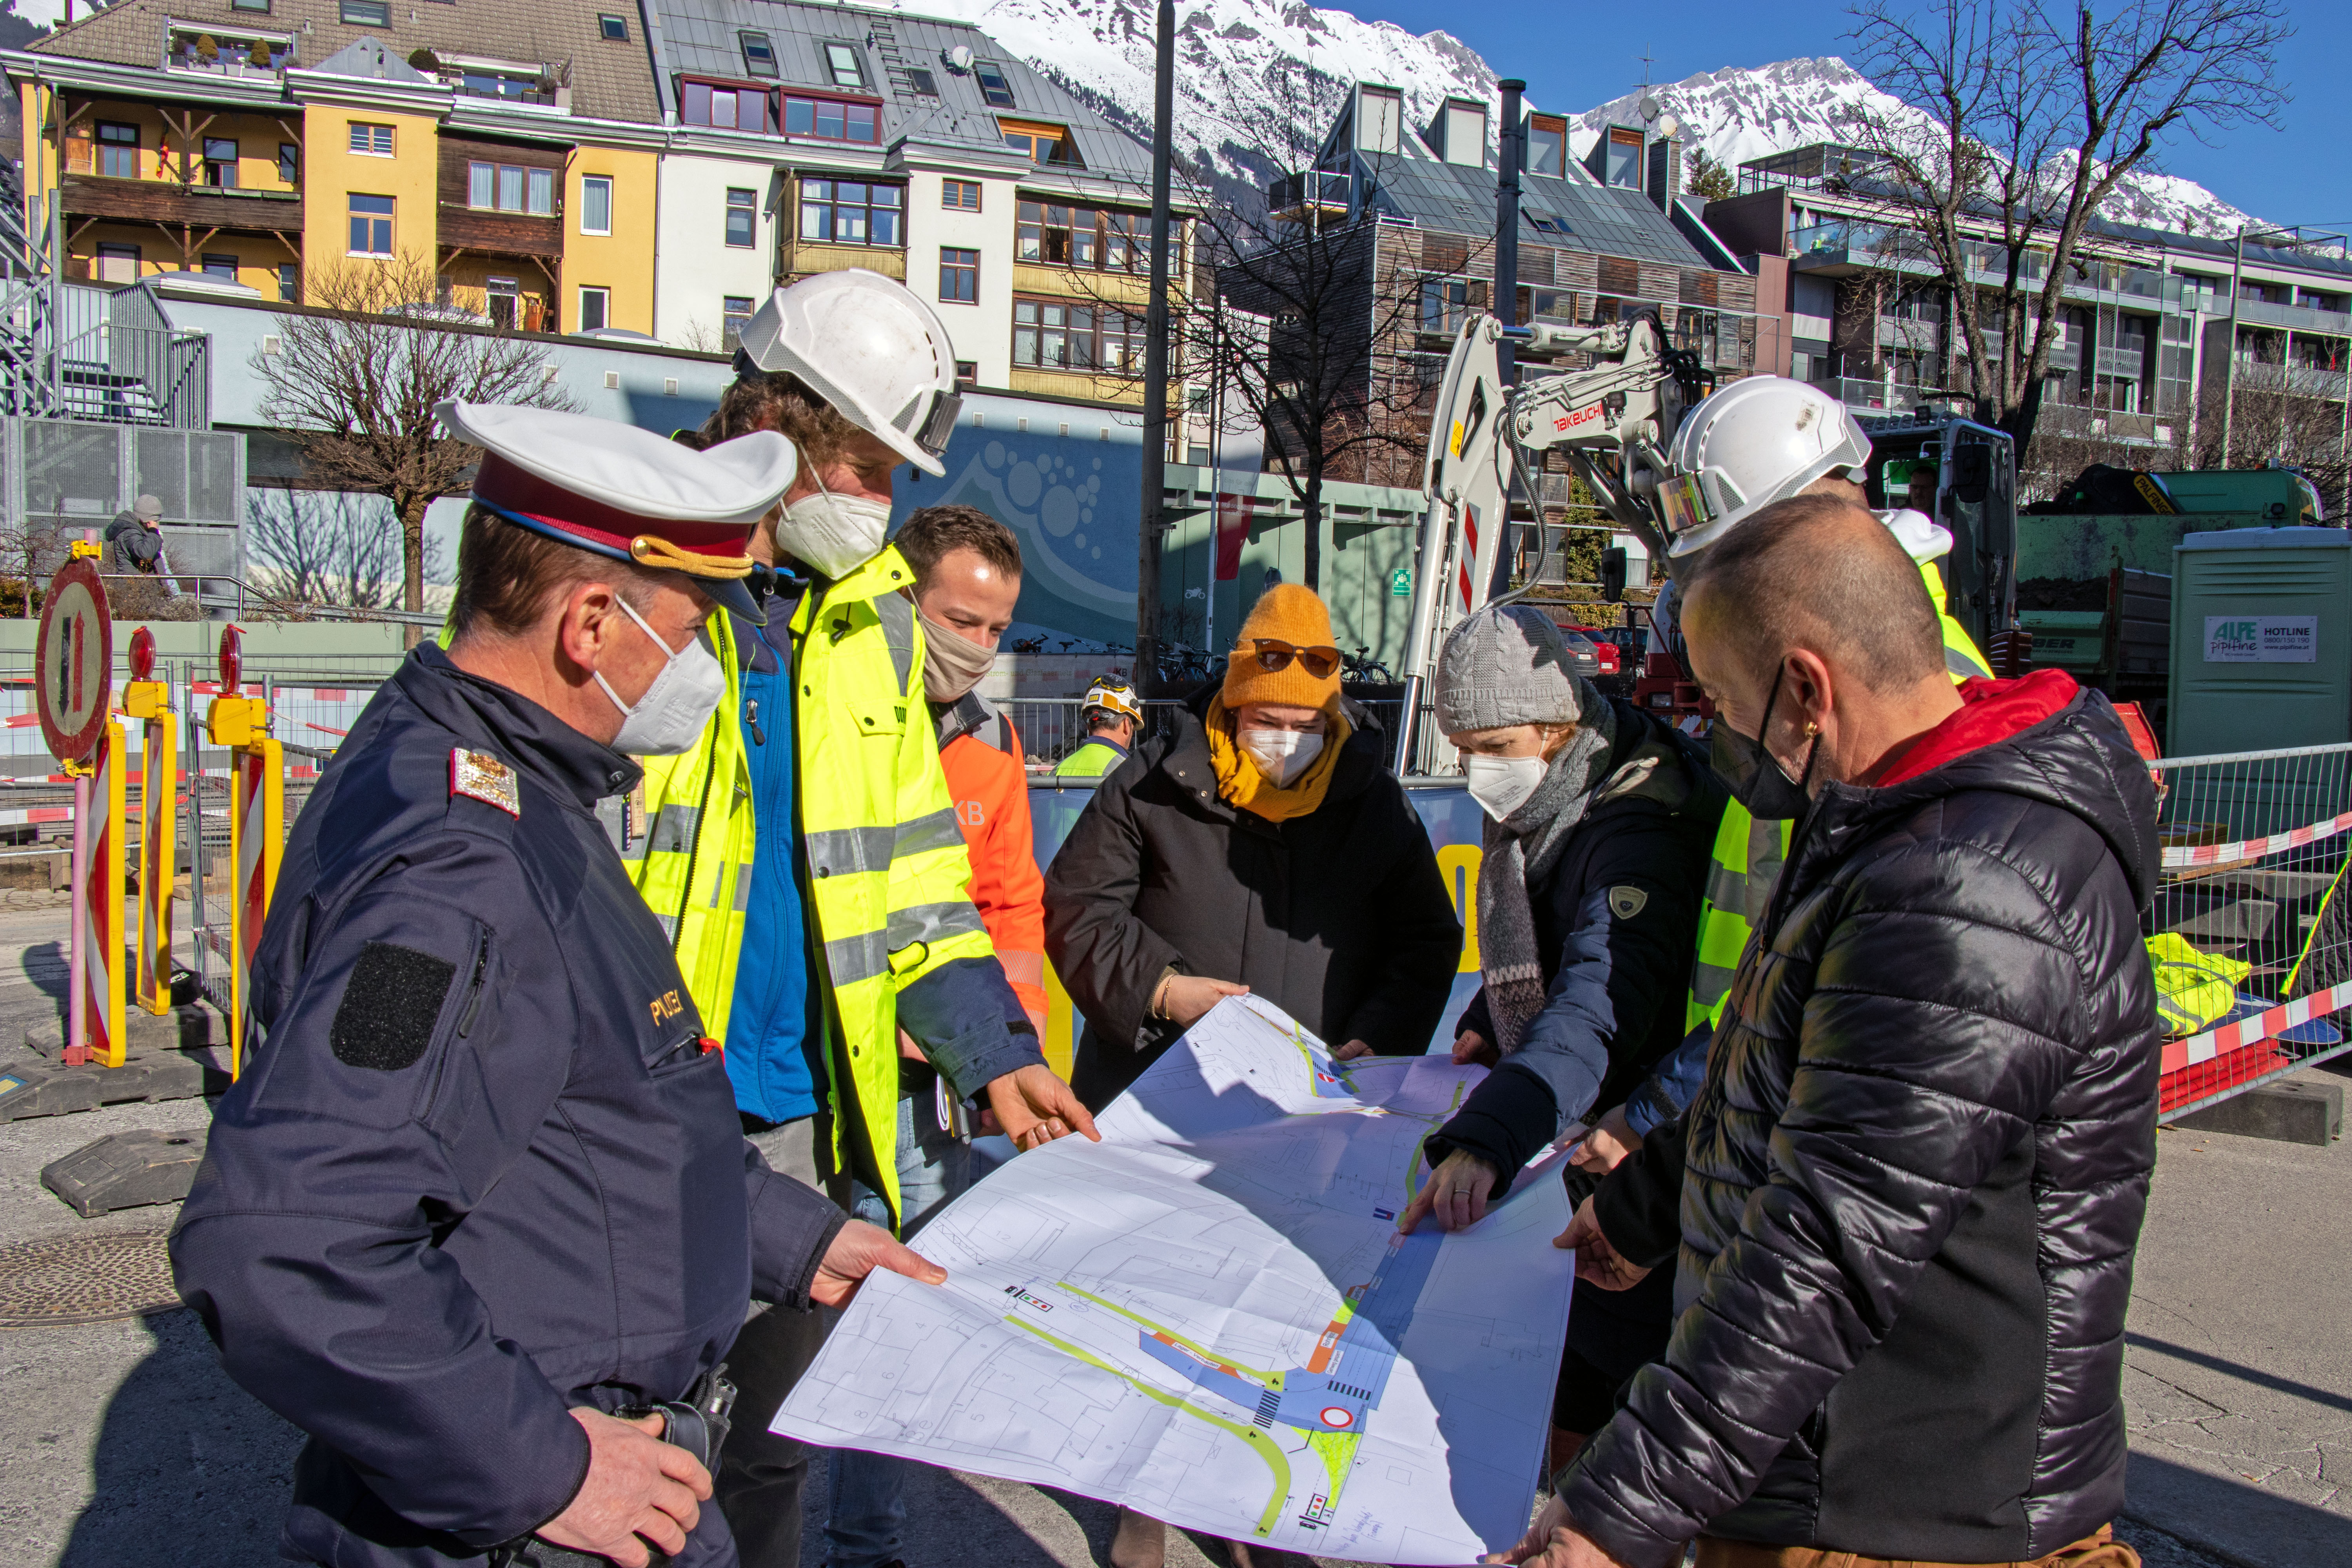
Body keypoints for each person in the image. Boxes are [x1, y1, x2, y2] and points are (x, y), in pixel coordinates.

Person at [170, 403, 947, 1568]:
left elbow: (586, 1123)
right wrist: (544, 1464)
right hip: (525, 1514)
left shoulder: (497, 776)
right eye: (693, 631)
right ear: (591, 623)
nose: (707, 666)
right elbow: (288, 1240)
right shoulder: (455, 872)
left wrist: (795, 1238)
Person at [1507, 494, 2159, 1568]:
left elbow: (1830, 1241)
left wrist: (1613, 1511)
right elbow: (1802, 1071)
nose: (1717, 733)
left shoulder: (1962, 885)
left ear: (1806, 689)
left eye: (1722, 700)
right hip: (1832, 1469)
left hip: (1890, 1508)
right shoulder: (1906, 822)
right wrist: (1647, 1200)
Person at [630, 270, 1094, 1568]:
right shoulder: (638, 586)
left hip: (808, 1121)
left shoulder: (867, 631)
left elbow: (914, 884)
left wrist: (994, 1053)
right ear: (773, 422)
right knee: (639, 1453)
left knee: (772, 1447)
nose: (879, 500)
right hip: (645, 1115)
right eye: (862, 461)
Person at [1045, 582, 1461, 1568]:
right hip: (1162, 1099)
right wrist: (1166, 991)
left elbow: (1425, 935)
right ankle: (1140, 1508)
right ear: (1230, 708)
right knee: (1156, 1314)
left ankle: (1257, 1511)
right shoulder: (1152, 778)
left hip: (1306, 1114)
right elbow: (1077, 911)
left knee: (1279, 1327)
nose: (1283, 740)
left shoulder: (1369, 797)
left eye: (1302, 724)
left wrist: (1377, 1036)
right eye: (1264, 721)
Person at [1388, 606, 1721, 1475]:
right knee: (1568, 1382)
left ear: (1555, 722)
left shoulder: (1638, 825)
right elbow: (1544, 945)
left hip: (1642, 1144)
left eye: (1493, 743)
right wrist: (1482, 1022)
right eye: (1463, 747)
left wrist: (1490, 1136)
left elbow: (1597, 1006)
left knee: (1628, 1399)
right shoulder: (1559, 788)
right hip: (1585, 1125)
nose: (1477, 771)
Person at [897, 503, 1049, 1034]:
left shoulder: (994, 739)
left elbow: (1009, 905)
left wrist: (1019, 1028)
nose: (978, 648)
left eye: (996, 629)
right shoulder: (833, 711)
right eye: (961, 622)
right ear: (902, 598)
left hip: (952, 1034)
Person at [102, 492, 196, 619]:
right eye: (156, 521)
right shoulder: (130, 532)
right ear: (148, 520)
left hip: (142, 595)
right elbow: (145, 554)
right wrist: (154, 532)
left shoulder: (135, 530)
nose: (157, 524)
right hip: (135, 596)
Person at [1054, 677, 1142, 777]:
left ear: (1089, 728)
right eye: (1132, 728)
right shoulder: (1131, 775)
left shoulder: (1057, 770)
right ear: (1126, 725)